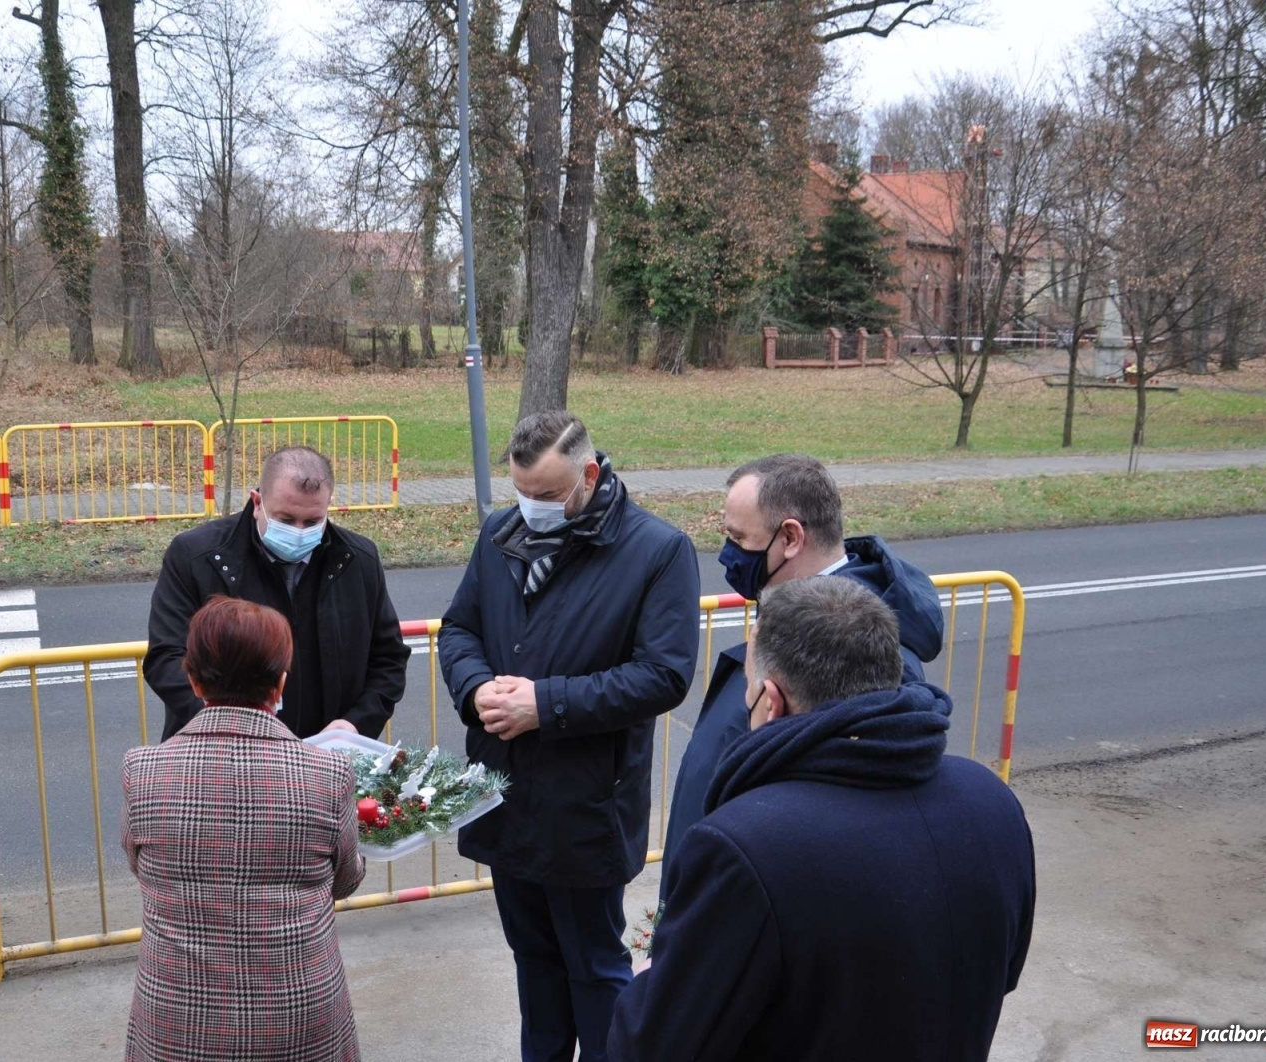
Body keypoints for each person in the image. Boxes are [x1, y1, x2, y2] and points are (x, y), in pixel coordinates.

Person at [609, 578, 1035, 1062]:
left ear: (771, 701)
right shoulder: (992, 801)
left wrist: (649, 981)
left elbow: (653, 1047)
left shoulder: (743, 846)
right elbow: (1001, 973)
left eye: (748, 692)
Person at [438, 411, 700, 1062]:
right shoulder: (501, 532)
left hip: (586, 802)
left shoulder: (657, 550)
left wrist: (545, 705)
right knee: (533, 960)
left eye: (549, 494)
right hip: (505, 792)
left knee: (593, 965)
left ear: (590, 474)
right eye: (521, 491)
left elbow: (664, 675)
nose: (533, 507)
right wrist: (474, 687)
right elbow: (461, 628)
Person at [660, 453, 945, 884]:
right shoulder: (790, 612)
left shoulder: (858, 648)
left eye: (738, 538)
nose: (727, 555)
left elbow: (838, 820)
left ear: (790, 537)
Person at [123, 596, 366, 1062]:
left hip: (177, 1014)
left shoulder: (144, 771)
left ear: (193, 680)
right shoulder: (327, 774)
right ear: (280, 683)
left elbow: (142, 867)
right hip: (298, 1011)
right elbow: (344, 880)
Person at [144, 445, 409, 742]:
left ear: (328, 506)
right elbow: (166, 658)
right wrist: (233, 727)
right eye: (285, 520)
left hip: (328, 754)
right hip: (221, 750)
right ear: (257, 502)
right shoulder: (196, 556)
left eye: (312, 522)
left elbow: (388, 658)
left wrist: (354, 724)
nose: (299, 531)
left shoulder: (358, 560)